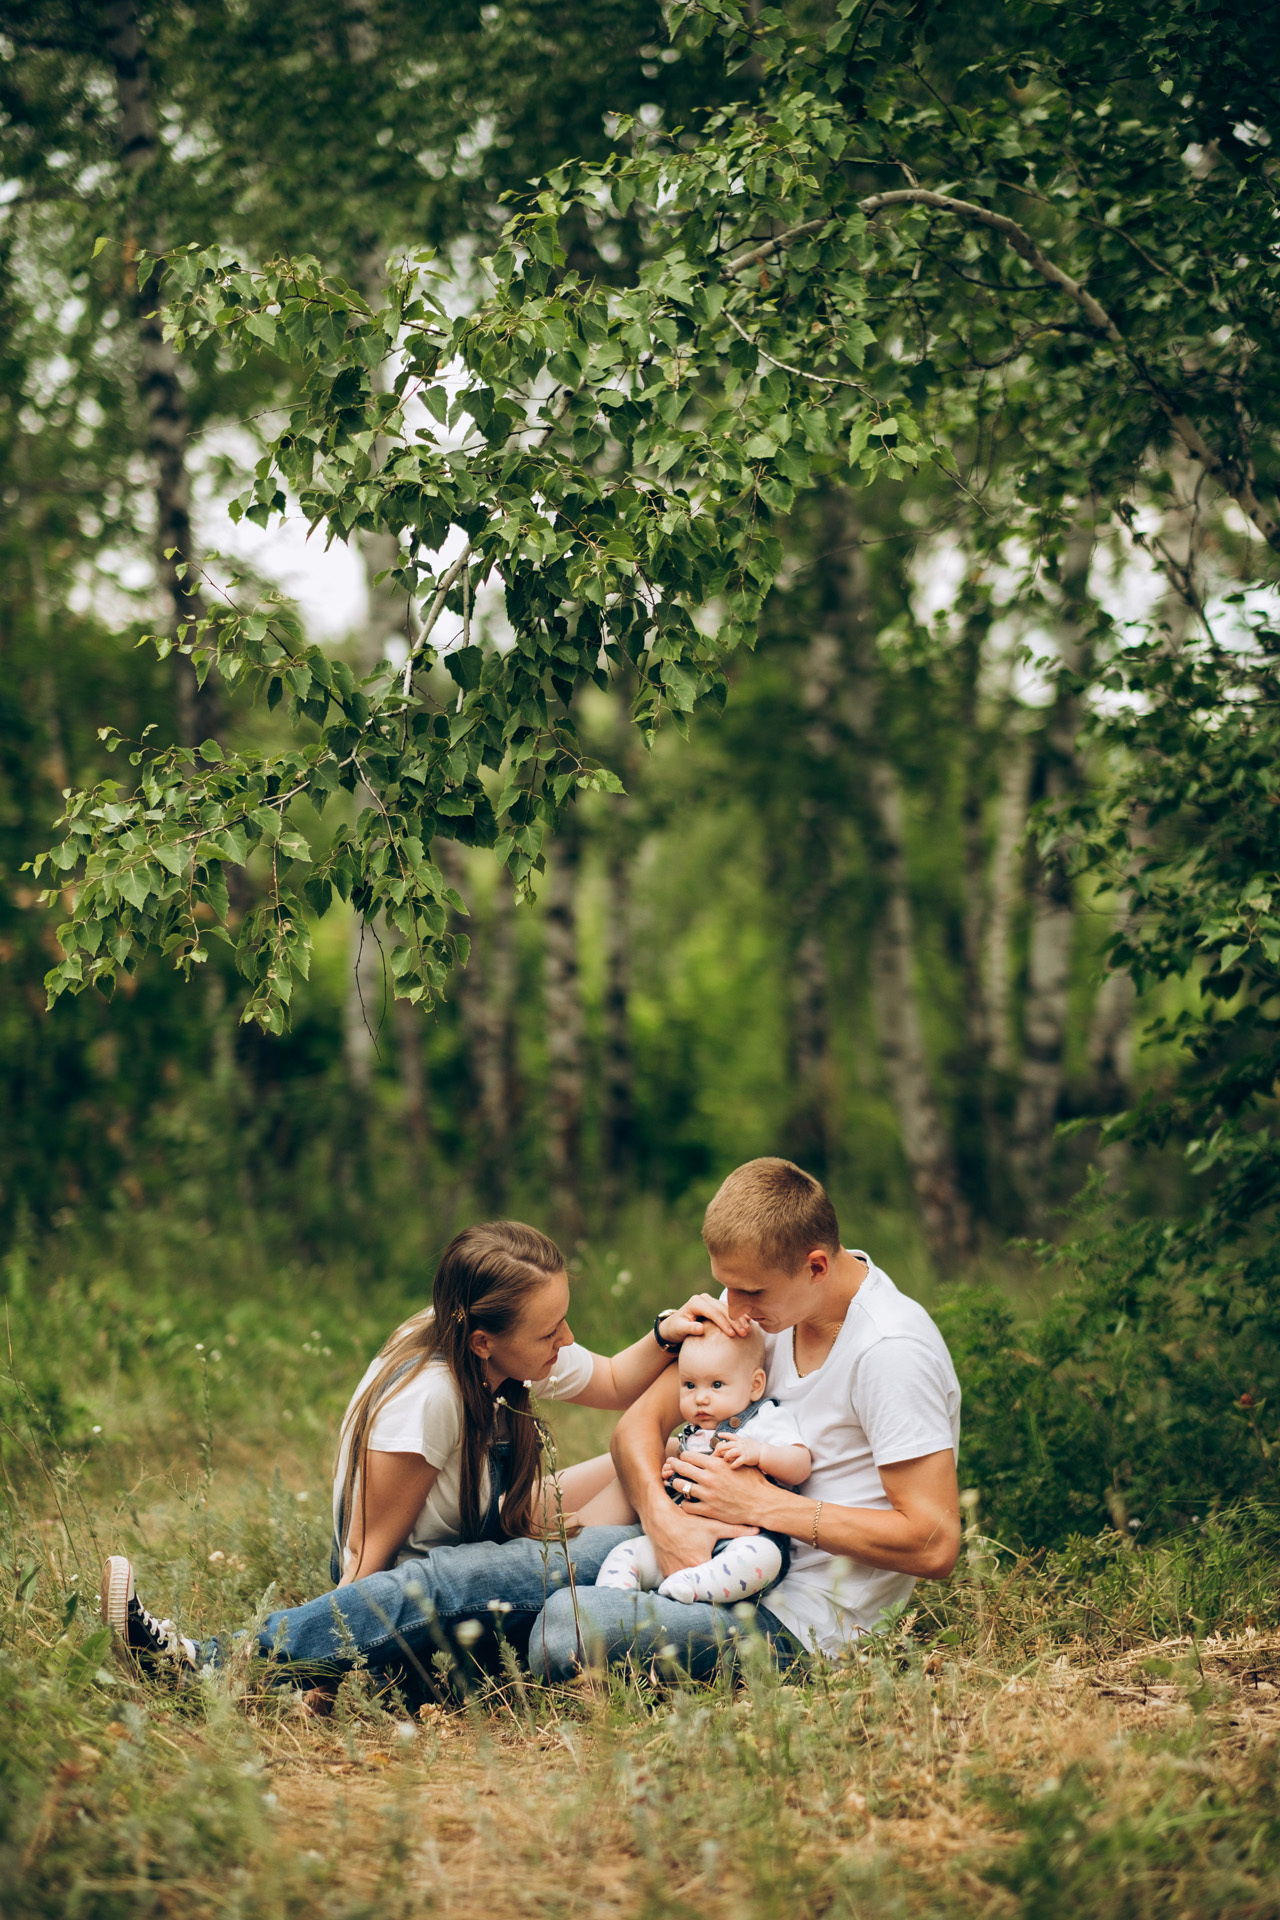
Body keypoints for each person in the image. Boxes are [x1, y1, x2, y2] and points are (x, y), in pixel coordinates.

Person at [99, 1219, 744, 1696]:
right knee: (608, 1548)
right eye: (551, 1332)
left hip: (486, 1523)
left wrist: (666, 1334)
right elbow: (366, 1556)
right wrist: (341, 1652)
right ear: (485, 1339)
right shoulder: (429, 1396)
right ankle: (203, 1663)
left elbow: (607, 1380)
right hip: (413, 1577)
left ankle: (675, 1566)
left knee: (654, 1460)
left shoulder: (490, 1342)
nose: (566, 1340)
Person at [525, 1158, 963, 1682]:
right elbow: (636, 1428)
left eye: (751, 1291)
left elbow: (934, 1542)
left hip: (790, 1621)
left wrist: (764, 1504)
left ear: (816, 1266)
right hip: (690, 1537)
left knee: (567, 1625)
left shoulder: (891, 1352)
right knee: (492, 1575)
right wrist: (664, 1524)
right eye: (726, 1286)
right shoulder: (768, 1315)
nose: (735, 1307)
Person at [595, 1322, 810, 1604]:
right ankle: (612, 1604)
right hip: (684, 1538)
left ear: (755, 1385)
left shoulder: (764, 1420)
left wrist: (759, 1453)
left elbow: (800, 1465)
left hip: (744, 1540)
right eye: (689, 1385)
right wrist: (674, 1475)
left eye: (717, 1385)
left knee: (764, 1560)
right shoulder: (694, 1434)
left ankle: (689, 1587)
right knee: (625, 1554)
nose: (701, 1398)